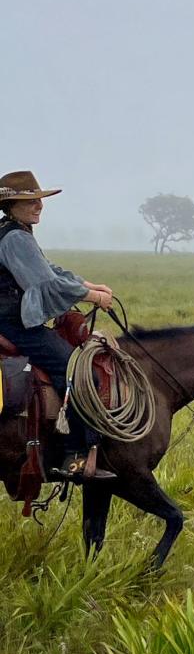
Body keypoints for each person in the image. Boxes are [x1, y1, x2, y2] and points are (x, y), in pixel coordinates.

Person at [0, 170, 116, 480]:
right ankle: (75, 459)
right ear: (12, 205)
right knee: (77, 371)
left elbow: (50, 270)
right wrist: (92, 296)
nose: (39, 205)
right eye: (31, 201)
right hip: (15, 323)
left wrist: (88, 284)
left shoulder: (15, 232)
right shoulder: (15, 238)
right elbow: (45, 283)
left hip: (13, 320)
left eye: (39, 200)